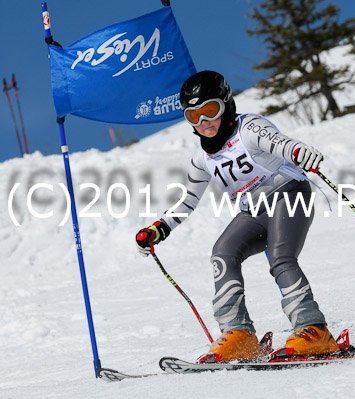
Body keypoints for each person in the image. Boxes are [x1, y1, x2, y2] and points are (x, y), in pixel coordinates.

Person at [135, 70, 340, 362]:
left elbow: (279, 143)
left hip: (289, 194)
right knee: (223, 252)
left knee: (281, 257)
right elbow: (188, 200)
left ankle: (314, 330)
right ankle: (240, 336)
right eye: (194, 116)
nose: (204, 122)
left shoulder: (249, 128)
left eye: (210, 111)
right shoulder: (202, 158)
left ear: (227, 104)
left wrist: (298, 150)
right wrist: (159, 228)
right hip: (255, 212)